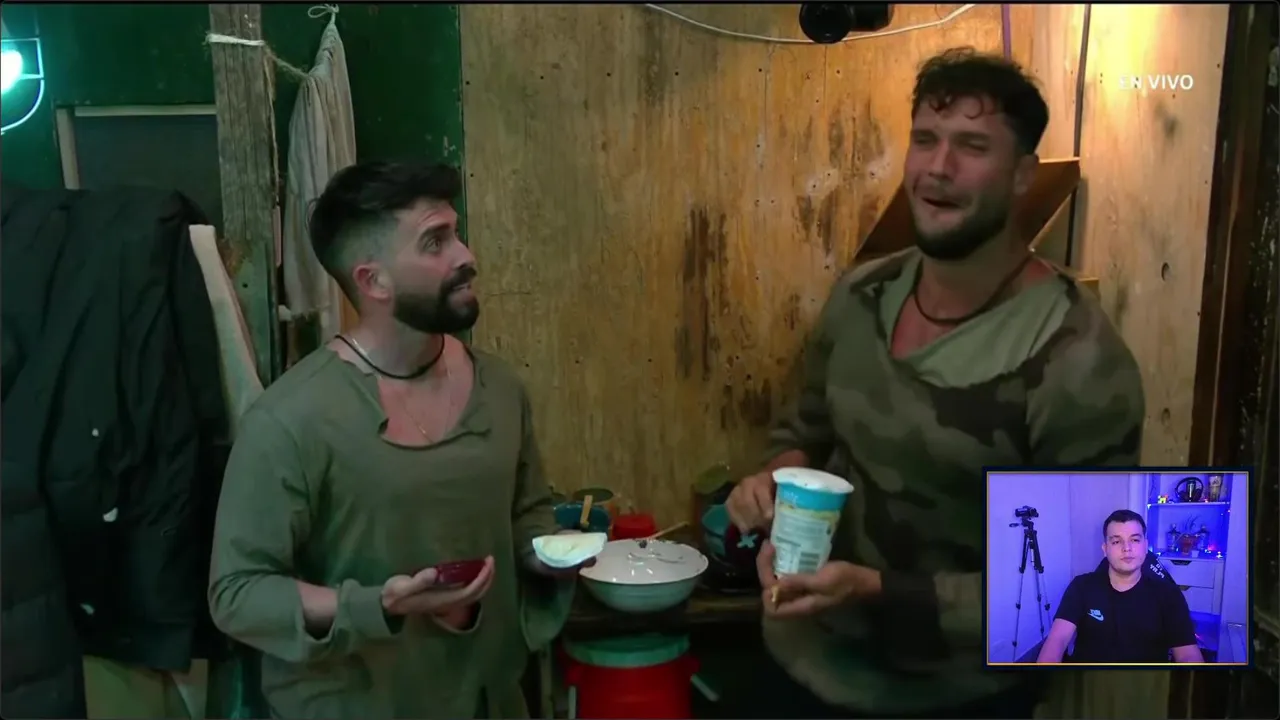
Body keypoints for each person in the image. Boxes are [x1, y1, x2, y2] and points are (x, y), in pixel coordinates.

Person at [723, 48, 1145, 718]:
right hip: (805, 659)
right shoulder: (863, 294)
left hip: (958, 696)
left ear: (1022, 176)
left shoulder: (1077, 358)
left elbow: (1073, 585)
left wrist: (877, 591)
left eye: (972, 147)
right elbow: (806, 429)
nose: (937, 168)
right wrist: (774, 481)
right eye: (925, 140)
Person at [207, 160, 586, 719]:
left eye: (456, 233)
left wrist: (558, 555)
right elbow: (237, 594)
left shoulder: (501, 389)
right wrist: (377, 604)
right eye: (435, 242)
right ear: (373, 281)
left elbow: (527, 517)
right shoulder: (291, 419)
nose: (465, 255)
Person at [1037, 510, 1203, 664]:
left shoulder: (1168, 594)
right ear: (1105, 549)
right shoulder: (1081, 586)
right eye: (1116, 542)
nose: (1127, 548)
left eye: (1135, 540)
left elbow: (1187, 655)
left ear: (1145, 546)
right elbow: (1057, 640)